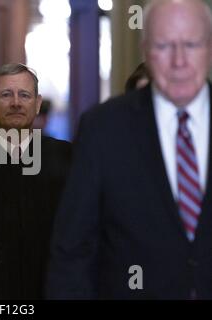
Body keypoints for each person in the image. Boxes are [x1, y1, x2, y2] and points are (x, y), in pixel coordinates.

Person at [46, 0, 212, 299]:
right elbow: (72, 256)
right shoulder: (103, 129)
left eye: (191, 44)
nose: (179, 61)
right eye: (164, 46)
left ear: (210, 47)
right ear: (146, 50)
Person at [0, 63, 71, 299]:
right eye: (6, 94)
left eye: (24, 95)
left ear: (37, 104)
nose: (16, 102)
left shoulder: (69, 159)